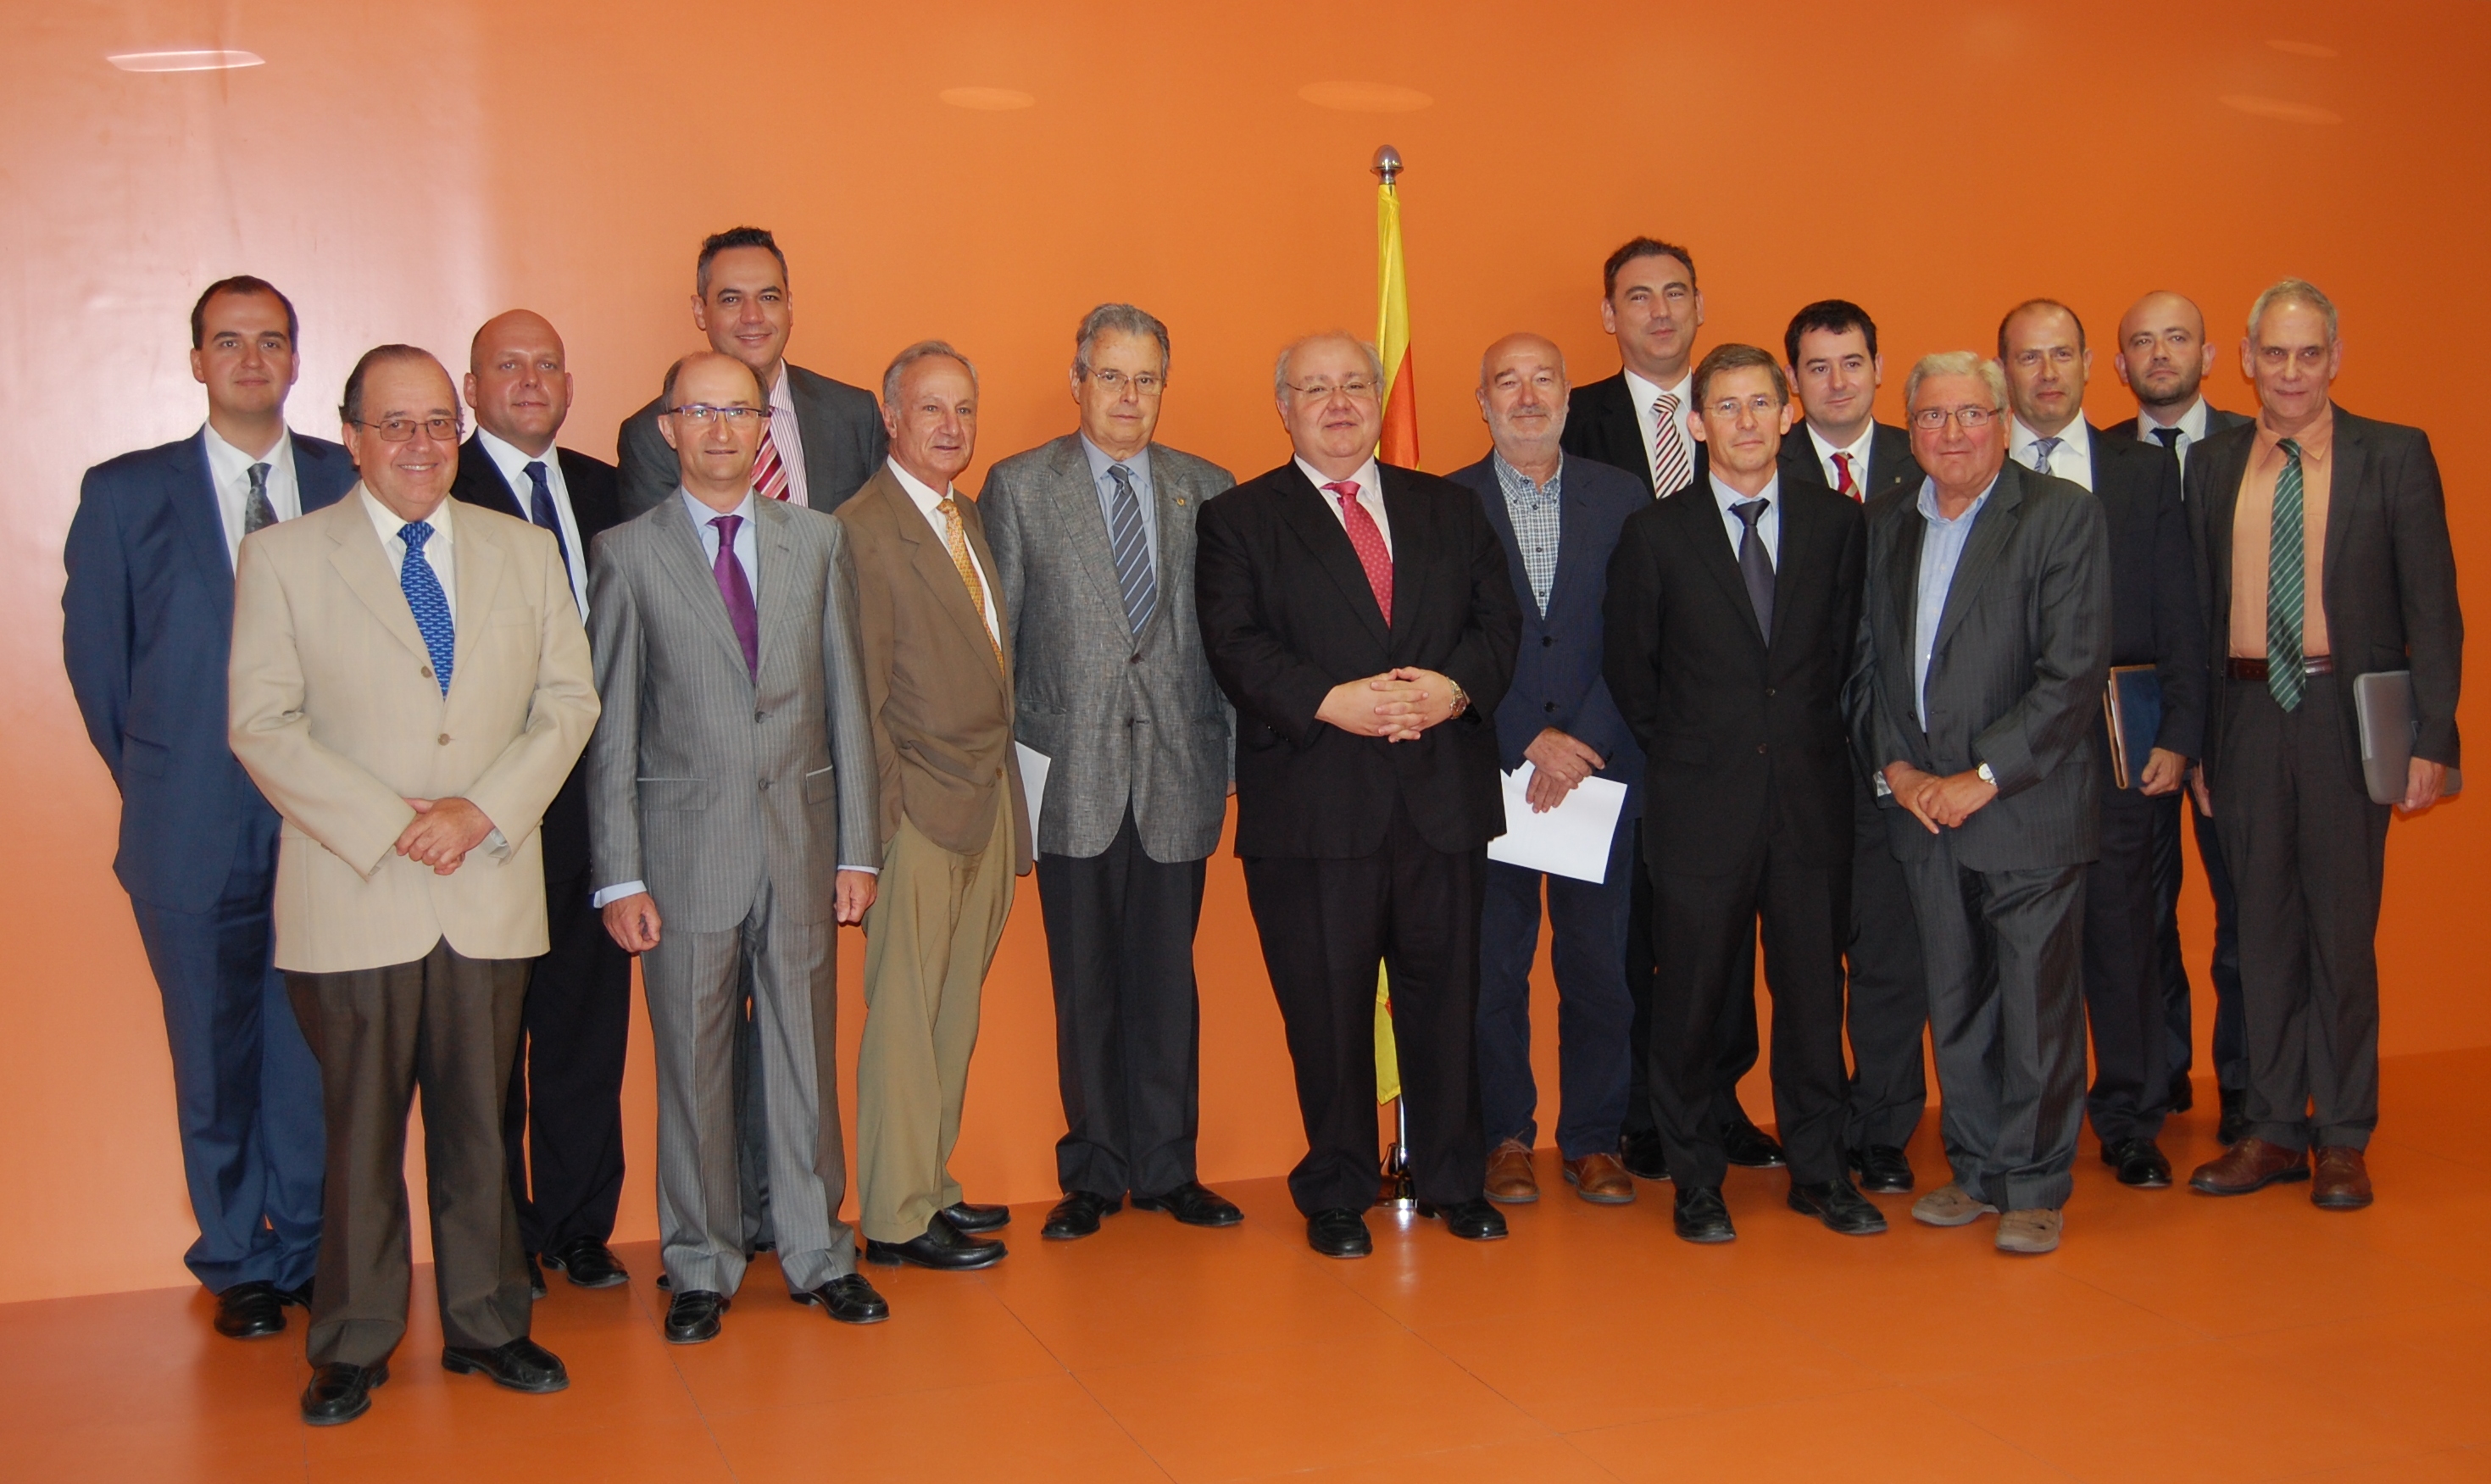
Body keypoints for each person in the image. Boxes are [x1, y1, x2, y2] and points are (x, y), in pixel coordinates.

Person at [228, 345, 598, 1423]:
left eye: (438, 422)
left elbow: (568, 701)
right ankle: (351, 1340)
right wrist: (393, 822)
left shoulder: (524, 550)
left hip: (486, 879)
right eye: (395, 424)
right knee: (359, 1133)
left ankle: (488, 1322)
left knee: (482, 1122)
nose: (421, 444)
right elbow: (261, 723)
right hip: (357, 888)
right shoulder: (284, 558)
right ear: (351, 436)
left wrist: (480, 810)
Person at [63, 276, 353, 1342]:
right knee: (211, 1051)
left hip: (327, 824)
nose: (250, 358)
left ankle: (313, 1245)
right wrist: (169, 776)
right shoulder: (125, 493)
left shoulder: (346, 477)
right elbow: (100, 668)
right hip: (186, 824)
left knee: (313, 1050)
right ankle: (238, 1256)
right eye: (228, 341)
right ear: (197, 361)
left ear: (295, 359)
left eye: (270, 340)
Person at [1195, 331, 1520, 1259]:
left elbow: (1497, 625)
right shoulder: (1237, 518)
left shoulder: (1449, 506)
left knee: (1446, 1000)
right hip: (1314, 808)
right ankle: (1336, 1186)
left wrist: (1451, 690)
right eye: (1314, 389)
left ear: (1378, 398)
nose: (1337, 404)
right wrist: (1328, 701)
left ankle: (1453, 1177)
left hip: (1440, 803)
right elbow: (1233, 644)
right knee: (1325, 1009)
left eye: (1353, 385)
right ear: (1283, 407)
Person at [586, 351, 888, 1342]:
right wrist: (619, 873)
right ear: (668, 426)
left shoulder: (818, 541)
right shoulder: (627, 554)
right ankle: (700, 1263)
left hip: (800, 845)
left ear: (765, 425)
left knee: (804, 1058)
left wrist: (856, 848)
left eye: (740, 411)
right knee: (694, 1069)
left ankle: (817, 1253)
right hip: (682, 859)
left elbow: (846, 701)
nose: (722, 428)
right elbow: (612, 728)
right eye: (701, 411)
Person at [2185, 281, 2461, 1212]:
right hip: (2245, 715)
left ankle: (2342, 1134)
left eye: (2309, 353)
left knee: (2340, 934)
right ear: (2245, 359)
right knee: (2257, 932)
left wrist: (2431, 735)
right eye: (2274, 353)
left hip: (2348, 713)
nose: (2291, 372)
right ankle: (2271, 1128)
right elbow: (2195, 611)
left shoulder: (2394, 454)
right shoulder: (2211, 463)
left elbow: (2433, 608)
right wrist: (2197, 744)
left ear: (2335, 358)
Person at [981, 305, 1244, 1241]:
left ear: (1162, 386)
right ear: (1077, 381)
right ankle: (1092, 1170)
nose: (1128, 396)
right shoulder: (1019, 487)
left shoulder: (1208, 488)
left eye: (1145, 379)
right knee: (1083, 982)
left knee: (1167, 981)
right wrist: (1006, 783)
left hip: (1178, 769)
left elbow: (1229, 643)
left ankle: (1169, 1167)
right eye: (1110, 376)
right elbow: (998, 647)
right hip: (1069, 776)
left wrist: (1234, 761)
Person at [1605, 345, 1880, 1242]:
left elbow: (1845, 655)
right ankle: (1695, 1178)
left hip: (1809, 802)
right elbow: (1633, 673)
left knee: (1812, 996)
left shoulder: (1838, 524)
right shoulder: (1655, 534)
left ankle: (1820, 1171)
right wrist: (1699, 755)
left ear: (1788, 413)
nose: (1746, 421)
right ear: (1695, 423)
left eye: (1761, 402)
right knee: (1689, 1000)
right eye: (1725, 406)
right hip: (1698, 806)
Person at [1853, 351, 2109, 1256]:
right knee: (1953, 999)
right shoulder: (1885, 522)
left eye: (1969, 413)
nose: (1950, 432)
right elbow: (1867, 664)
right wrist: (1897, 768)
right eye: (1930, 415)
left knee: (2035, 1007)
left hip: (2025, 806)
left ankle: (2032, 1182)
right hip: (1922, 811)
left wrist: (1983, 775)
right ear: (1909, 427)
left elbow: (2070, 672)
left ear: (2002, 421)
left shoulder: (2058, 515)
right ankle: (1973, 1167)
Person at [1559, 237, 1781, 1177]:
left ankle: (1718, 1102)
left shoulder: (1745, 410)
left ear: (1700, 304)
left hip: (1737, 739)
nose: (1658, 311)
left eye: (1674, 292)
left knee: (1726, 932)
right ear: (1608, 315)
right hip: (1618, 725)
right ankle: (1643, 1110)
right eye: (1637, 296)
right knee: (1631, 934)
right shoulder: (1572, 421)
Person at [1999, 300, 2205, 1189]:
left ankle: (2128, 1116)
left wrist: (2181, 732)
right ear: (2003, 371)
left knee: (2126, 929)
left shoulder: (2141, 471)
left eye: (2060, 355)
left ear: (2090, 364)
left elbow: (2181, 607)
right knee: (2016, 935)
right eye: (2027, 357)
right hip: (2007, 735)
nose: (2046, 373)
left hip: (2122, 730)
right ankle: (2021, 1113)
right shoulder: (1974, 463)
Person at [448, 310, 631, 1294]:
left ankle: (577, 1222)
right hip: (491, 813)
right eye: (506, 365)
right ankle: (500, 1236)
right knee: (487, 1044)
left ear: (568, 384)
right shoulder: (440, 487)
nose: (529, 380)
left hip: (601, 809)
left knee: (585, 1031)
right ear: (471, 388)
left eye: (547, 365)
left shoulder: (608, 488)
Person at [837, 342, 1030, 1271]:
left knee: (952, 1012)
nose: (950, 426)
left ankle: (929, 1183)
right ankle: (893, 1214)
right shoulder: (862, 530)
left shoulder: (965, 512)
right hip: (915, 811)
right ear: (890, 418)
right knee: (905, 1019)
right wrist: (880, 833)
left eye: (963, 409)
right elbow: (861, 700)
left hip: (986, 802)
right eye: (930, 408)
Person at [1445, 333, 1644, 1207]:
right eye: (1506, 381)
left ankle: (1594, 1138)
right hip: (1490, 773)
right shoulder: (1445, 504)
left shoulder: (1623, 496)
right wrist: (1526, 734)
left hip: (1599, 775)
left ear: (1567, 396)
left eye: (1542, 380)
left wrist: (1581, 741)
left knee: (1599, 968)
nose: (1525, 397)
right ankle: (1505, 1136)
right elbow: (1442, 637)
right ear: (1481, 401)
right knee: (1493, 970)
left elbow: (1642, 632)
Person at [1778, 299, 1927, 1195]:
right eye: (1816, 366)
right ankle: (1816, 1124)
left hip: (1898, 755)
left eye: (1851, 363)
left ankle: (1884, 1126)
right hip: (1796, 758)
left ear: (1878, 368)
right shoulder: (1760, 463)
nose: (1836, 382)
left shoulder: (1929, 454)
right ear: (1792, 381)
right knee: (1803, 960)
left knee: (1888, 956)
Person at [2112, 290, 2255, 1142]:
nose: (2158, 354)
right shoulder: (2095, 457)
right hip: (2131, 724)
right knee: (2141, 914)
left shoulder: (2256, 446)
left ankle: (2246, 1085)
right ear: (2118, 363)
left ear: (2209, 355)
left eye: (2176, 338)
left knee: (2246, 913)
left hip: (2240, 719)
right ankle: (2158, 1075)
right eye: (2141, 341)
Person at [617, 226, 887, 519]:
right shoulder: (650, 436)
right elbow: (659, 544)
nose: (753, 317)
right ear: (699, 311)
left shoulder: (855, 416)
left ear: (789, 306)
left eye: (768, 298)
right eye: (731, 300)